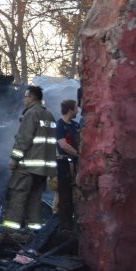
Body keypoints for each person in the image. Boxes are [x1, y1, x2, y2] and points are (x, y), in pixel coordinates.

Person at [2, 85, 57, 232]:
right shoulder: (49, 115)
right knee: (34, 200)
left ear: (32, 97)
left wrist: (15, 158)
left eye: (25, 97)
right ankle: (34, 232)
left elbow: (24, 138)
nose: (24, 99)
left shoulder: (32, 113)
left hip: (27, 166)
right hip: (43, 169)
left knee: (17, 196)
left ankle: (10, 231)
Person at [55, 99, 80, 232]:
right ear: (70, 109)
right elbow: (63, 145)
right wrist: (79, 155)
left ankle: (75, 222)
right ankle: (65, 225)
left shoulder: (75, 125)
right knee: (64, 195)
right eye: (76, 108)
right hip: (63, 163)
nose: (78, 110)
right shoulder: (59, 125)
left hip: (75, 164)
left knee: (76, 194)